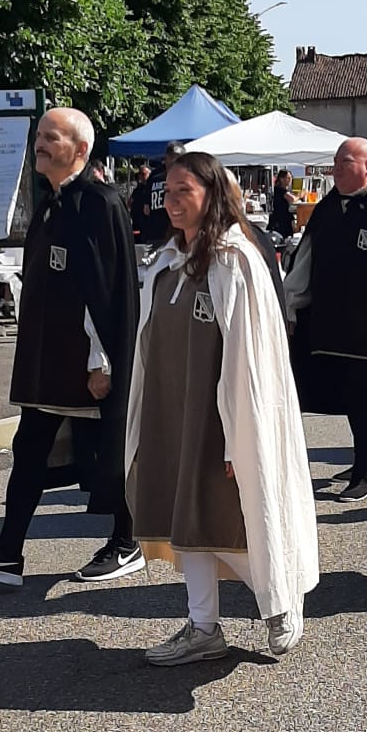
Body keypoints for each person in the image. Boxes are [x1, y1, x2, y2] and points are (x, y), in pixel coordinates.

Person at [127, 151, 318, 664]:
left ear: (212, 195)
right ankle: (203, 625)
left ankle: (280, 602)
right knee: (184, 516)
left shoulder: (235, 260)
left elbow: (250, 357)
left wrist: (239, 435)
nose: (171, 201)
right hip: (173, 411)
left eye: (183, 191)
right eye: (166, 192)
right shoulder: (166, 261)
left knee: (229, 514)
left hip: (223, 415)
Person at [0, 107, 143, 586]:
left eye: (52, 137)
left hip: (84, 362)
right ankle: (8, 552)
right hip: (45, 361)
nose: (41, 143)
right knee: (29, 448)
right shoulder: (51, 202)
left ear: (80, 149)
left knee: (107, 452)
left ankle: (126, 540)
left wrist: (104, 361)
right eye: (39, 135)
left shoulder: (98, 203)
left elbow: (103, 289)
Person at [284, 135, 367, 501]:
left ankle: (361, 474)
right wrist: (292, 305)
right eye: (337, 161)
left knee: (363, 396)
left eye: (347, 162)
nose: (338, 168)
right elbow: (305, 259)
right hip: (329, 321)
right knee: (344, 393)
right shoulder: (327, 208)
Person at [128, 145, 176, 248]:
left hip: (154, 233)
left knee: (154, 263)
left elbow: (146, 210)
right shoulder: (176, 178)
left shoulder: (154, 178)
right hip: (171, 233)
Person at [268, 168, 297, 243]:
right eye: (288, 178)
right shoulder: (279, 190)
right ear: (281, 179)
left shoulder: (283, 190)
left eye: (290, 178)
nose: (290, 180)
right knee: (283, 239)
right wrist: (300, 196)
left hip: (285, 219)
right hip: (281, 220)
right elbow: (292, 199)